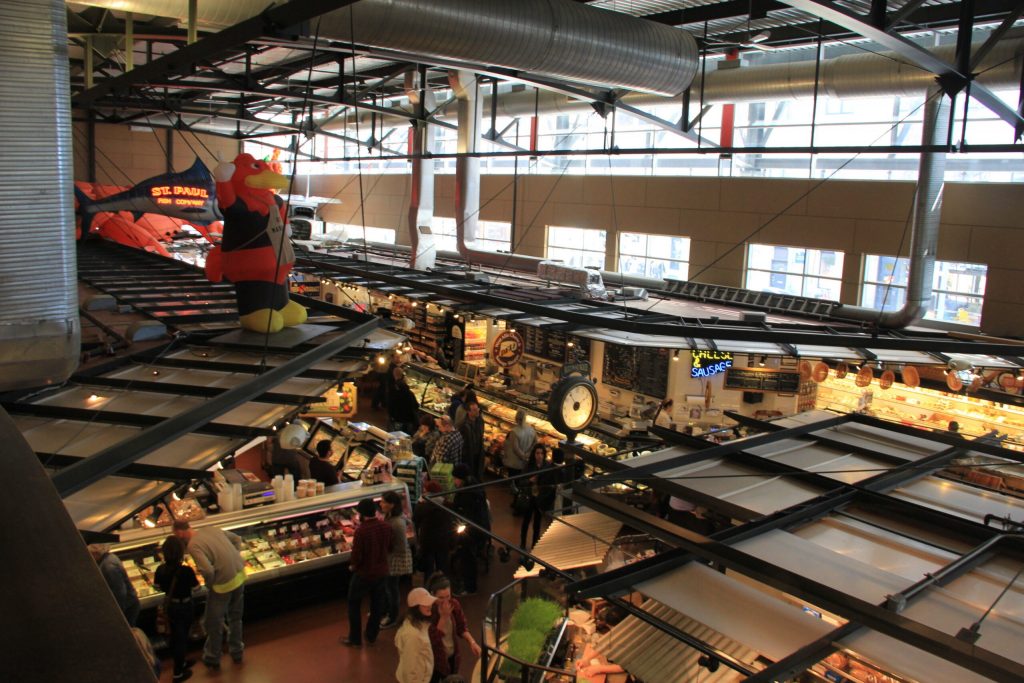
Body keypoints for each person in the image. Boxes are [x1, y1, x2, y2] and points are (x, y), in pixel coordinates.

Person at [173, 519, 246, 670]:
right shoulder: (211, 528)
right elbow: (237, 539)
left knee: (213, 622)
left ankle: (213, 657)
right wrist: (234, 558)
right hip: (240, 575)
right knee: (235, 618)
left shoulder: (193, 545)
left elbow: (207, 570)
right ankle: (237, 652)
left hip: (222, 585)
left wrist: (210, 584)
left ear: (179, 533)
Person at [343, 497, 393, 647]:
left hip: (364, 573)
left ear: (362, 514)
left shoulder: (361, 531)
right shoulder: (386, 527)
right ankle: (371, 635)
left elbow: (357, 555)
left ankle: (355, 639)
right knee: (377, 605)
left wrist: (353, 566)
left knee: (353, 603)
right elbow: (390, 548)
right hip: (382, 572)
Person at [155, 536, 199, 682]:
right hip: (184, 606)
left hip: (170, 607)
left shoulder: (160, 570)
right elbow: (197, 588)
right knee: (182, 638)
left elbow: (157, 587)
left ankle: (182, 662)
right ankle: (178, 673)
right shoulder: (186, 570)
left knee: (175, 637)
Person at [427, 572, 482, 681]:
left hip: (452, 656)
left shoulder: (454, 604)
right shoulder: (428, 611)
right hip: (434, 661)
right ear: (432, 594)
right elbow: (432, 640)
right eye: (441, 598)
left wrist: (472, 642)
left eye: (448, 596)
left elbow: (462, 627)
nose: (446, 601)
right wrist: (443, 617)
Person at [450, 463, 489, 596]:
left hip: (471, 533)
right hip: (478, 529)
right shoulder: (474, 485)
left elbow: (466, 515)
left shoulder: (468, 494)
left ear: (460, 478)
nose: (454, 481)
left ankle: (469, 587)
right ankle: (468, 584)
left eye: (455, 478)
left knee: (468, 559)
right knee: (469, 558)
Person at [381, 490, 414, 630]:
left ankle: (392, 617)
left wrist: (386, 547)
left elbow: (401, 546)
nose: (381, 504)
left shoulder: (397, 523)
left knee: (392, 589)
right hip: (390, 559)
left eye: (383, 502)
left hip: (395, 561)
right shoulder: (391, 517)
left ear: (392, 505)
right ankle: (386, 612)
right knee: (388, 588)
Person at [87, 543, 141, 627]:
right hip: (130, 603)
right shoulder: (110, 557)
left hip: (127, 606)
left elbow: (120, 592)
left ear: (96, 553)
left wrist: (118, 611)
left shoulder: (108, 566)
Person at [394, 587, 437, 683]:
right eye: (425, 603)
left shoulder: (418, 623)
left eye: (429, 602)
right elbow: (410, 669)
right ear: (416, 608)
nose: (429, 605)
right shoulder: (413, 635)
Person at [520, 444, 558, 550]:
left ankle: (534, 545)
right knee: (526, 521)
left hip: (540, 499)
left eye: (541, 453)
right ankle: (522, 543)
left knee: (537, 523)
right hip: (529, 497)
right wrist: (529, 480)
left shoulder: (547, 466)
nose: (539, 456)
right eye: (537, 453)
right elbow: (520, 481)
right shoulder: (528, 466)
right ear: (534, 454)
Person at [415, 480, 454, 581]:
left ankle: (429, 589)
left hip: (428, 541)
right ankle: (444, 586)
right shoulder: (447, 504)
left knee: (429, 568)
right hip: (443, 541)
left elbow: (415, 519)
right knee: (443, 566)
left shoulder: (423, 506)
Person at [502, 409, 536, 478]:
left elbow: (515, 448)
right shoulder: (532, 430)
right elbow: (535, 443)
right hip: (526, 462)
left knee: (513, 479)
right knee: (522, 479)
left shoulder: (514, 432)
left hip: (515, 463)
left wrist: (522, 456)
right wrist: (528, 454)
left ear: (516, 419)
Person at [458, 401, 485, 481]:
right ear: (468, 412)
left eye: (477, 409)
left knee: (478, 474)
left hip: (478, 453)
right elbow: (462, 444)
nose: (477, 411)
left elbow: (481, 435)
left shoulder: (480, 421)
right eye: (474, 410)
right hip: (469, 456)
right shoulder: (463, 425)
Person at [388, 368, 421, 435]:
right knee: (406, 437)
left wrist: (392, 416)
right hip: (408, 420)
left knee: (395, 437)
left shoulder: (392, 392)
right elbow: (416, 405)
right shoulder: (409, 393)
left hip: (397, 419)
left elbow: (389, 405)